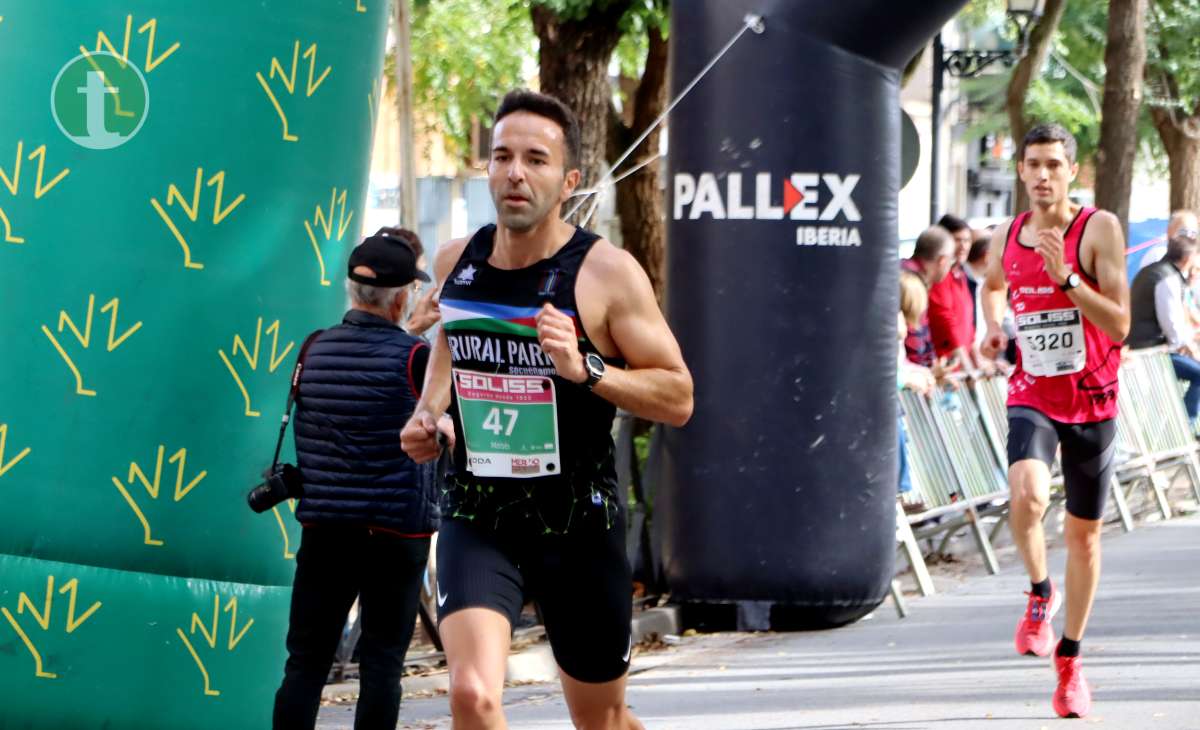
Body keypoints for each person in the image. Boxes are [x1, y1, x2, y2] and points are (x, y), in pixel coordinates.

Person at [399, 89, 693, 730]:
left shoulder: (605, 274)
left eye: (536, 159)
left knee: (601, 718)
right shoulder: (459, 261)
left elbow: (678, 396)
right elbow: (452, 338)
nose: (515, 173)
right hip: (479, 511)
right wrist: (430, 412)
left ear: (569, 181)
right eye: (502, 156)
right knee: (472, 696)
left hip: (578, 521)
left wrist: (587, 369)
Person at [980, 123, 1130, 719]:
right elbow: (993, 287)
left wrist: (1067, 277)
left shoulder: (1099, 229)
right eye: (1032, 164)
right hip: (1033, 391)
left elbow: (1119, 326)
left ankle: (1069, 661)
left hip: (1093, 397)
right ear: (1020, 170)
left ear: (1073, 172)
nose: (1042, 175)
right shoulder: (1007, 233)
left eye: (1053, 165)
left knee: (1084, 536)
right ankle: (1040, 592)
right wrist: (993, 324)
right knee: (1025, 496)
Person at [272, 231, 439, 730]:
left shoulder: (313, 349)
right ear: (402, 296)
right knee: (382, 666)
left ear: (351, 291)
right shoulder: (416, 359)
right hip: (396, 535)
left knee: (305, 664)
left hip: (325, 530)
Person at [1128, 232, 1200, 424]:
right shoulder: (1167, 278)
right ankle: (1187, 427)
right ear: (1187, 259)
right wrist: (1189, 348)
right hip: (1153, 353)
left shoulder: (1152, 271)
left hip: (1145, 349)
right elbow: (1172, 327)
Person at [930, 214, 988, 372]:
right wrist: (965, 361)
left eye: (967, 240)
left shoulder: (960, 275)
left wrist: (975, 357)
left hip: (960, 367)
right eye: (957, 240)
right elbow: (943, 318)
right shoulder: (941, 275)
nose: (963, 246)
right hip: (945, 367)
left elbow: (968, 322)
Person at [901, 225, 956, 367]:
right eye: (951, 261)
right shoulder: (910, 283)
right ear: (942, 260)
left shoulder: (906, 274)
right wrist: (927, 371)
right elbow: (912, 343)